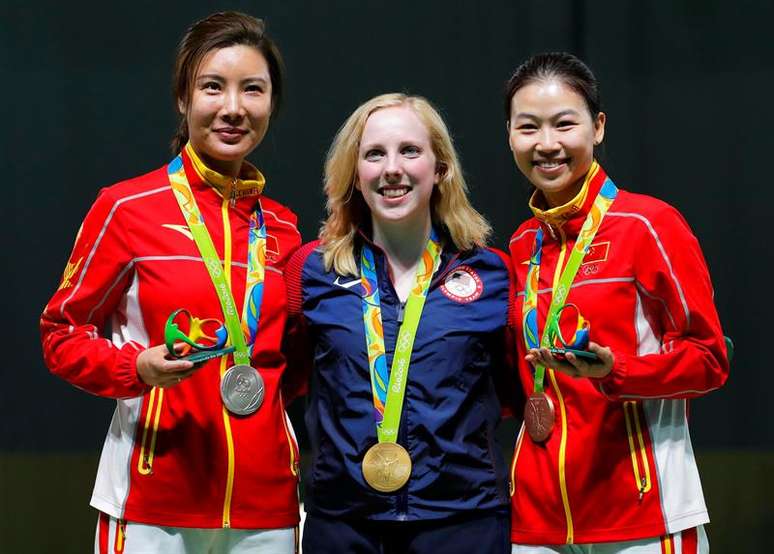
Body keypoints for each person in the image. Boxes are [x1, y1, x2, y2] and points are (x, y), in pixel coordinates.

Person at [40, 12, 302, 554]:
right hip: (152, 499)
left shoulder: (283, 228)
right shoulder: (126, 208)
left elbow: (291, 364)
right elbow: (60, 334)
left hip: (268, 504)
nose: (233, 108)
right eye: (213, 87)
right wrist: (133, 367)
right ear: (183, 99)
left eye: (252, 89)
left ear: (271, 104)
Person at [505, 52, 729, 553]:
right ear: (510, 135)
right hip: (538, 523)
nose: (547, 144)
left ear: (598, 127)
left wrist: (617, 371)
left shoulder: (648, 224)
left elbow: (710, 359)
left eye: (565, 124)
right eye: (528, 128)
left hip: (642, 514)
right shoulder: (521, 246)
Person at [282, 93, 514, 553]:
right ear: (354, 174)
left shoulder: (493, 275)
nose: (392, 168)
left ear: (440, 167)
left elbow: (514, 391)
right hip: (344, 525)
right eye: (374, 154)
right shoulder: (310, 273)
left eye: (410, 150)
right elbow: (287, 378)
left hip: (464, 523)